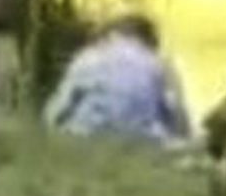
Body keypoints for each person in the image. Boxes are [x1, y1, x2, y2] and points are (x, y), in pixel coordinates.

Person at [44, 10, 196, 150]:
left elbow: (55, 113)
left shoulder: (89, 57)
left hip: (84, 135)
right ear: (150, 41)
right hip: (141, 141)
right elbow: (180, 125)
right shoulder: (158, 63)